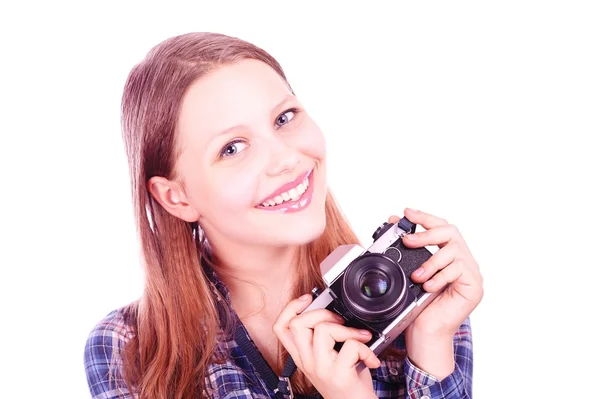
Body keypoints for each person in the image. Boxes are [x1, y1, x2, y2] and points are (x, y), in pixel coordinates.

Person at [84, 32, 484, 399]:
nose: (287, 159)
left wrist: (431, 341)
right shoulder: (130, 347)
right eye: (232, 148)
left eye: (284, 118)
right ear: (177, 197)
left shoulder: (413, 298)